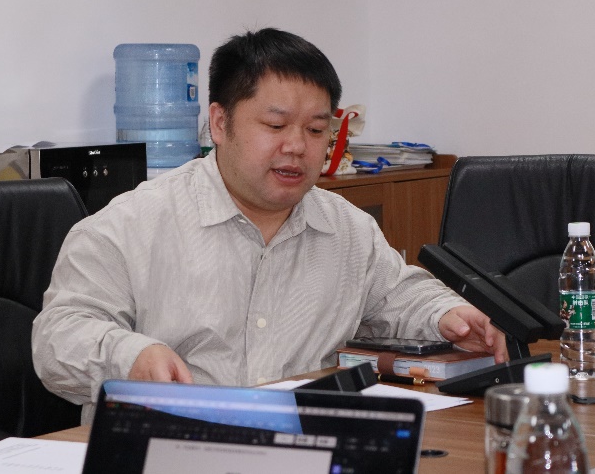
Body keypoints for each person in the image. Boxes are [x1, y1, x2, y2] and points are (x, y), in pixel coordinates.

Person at [32, 28, 507, 423]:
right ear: (220, 124)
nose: (297, 147)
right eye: (276, 126)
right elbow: (58, 337)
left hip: (302, 448)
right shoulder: (128, 226)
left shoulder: (347, 228)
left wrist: (446, 314)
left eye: (316, 130)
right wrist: (129, 355)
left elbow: (396, 294)